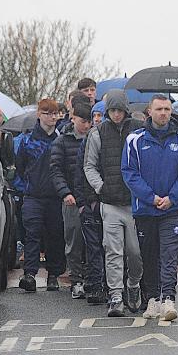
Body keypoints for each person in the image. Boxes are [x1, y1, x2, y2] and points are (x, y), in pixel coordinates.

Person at [123, 95, 178, 321]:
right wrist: (151, 198)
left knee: (169, 255)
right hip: (146, 209)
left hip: (172, 209)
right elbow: (130, 173)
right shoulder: (135, 140)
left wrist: (172, 198)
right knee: (149, 255)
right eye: (159, 109)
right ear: (149, 112)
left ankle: (168, 299)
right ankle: (153, 299)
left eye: (167, 109)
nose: (163, 113)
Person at [84, 90, 143, 317]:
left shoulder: (138, 129)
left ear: (125, 110)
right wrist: (101, 187)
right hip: (109, 203)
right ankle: (116, 295)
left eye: (119, 110)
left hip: (135, 203)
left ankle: (133, 285)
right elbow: (89, 165)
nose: (116, 114)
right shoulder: (97, 133)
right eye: (112, 110)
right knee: (112, 251)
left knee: (135, 253)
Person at [16, 99, 65, 293]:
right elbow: (20, 166)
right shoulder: (27, 140)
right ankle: (30, 274)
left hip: (55, 197)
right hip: (33, 196)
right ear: (39, 114)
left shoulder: (61, 138)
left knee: (55, 235)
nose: (52, 117)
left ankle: (53, 275)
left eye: (55, 113)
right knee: (32, 234)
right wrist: (29, 185)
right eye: (48, 113)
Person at [49, 101, 92, 299]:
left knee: (94, 241)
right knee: (74, 241)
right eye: (83, 121)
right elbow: (56, 169)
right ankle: (76, 280)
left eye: (89, 121)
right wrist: (65, 192)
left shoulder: (95, 138)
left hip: (91, 197)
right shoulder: (62, 141)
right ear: (73, 119)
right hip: (72, 198)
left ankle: (92, 277)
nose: (87, 125)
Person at [74, 104, 107, 304]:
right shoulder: (88, 141)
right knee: (93, 247)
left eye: (100, 115)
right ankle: (96, 285)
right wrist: (83, 203)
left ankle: (113, 286)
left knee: (112, 247)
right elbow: (80, 173)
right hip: (90, 203)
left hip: (112, 201)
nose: (96, 119)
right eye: (95, 115)